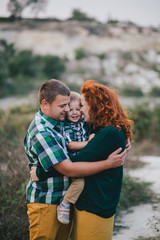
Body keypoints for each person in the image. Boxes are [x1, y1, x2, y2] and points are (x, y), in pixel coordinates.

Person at [24, 79, 127, 240]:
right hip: (46, 200)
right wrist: (108, 163)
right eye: (62, 106)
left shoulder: (60, 123)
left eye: (69, 105)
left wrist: (124, 138)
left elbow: (102, 134)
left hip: (65, 201)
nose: (67, 110)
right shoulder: (42, 132)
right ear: (45, 104)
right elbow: (68, 168)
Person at [57, 91, 95, 224]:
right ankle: (65, 204)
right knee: (80, 182)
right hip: (73, 160)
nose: (74, 113)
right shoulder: (66, 126)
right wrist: (89, 143)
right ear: (66, 110)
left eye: (78, 109)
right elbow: (71, 145)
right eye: (71, 110)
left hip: (85, 159)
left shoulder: (84, 122)